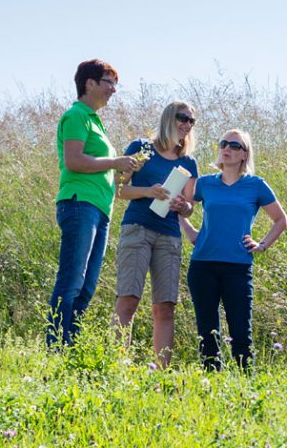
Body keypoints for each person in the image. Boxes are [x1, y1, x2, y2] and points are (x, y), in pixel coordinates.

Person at [47, 59, 139, 348]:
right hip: (79, 204)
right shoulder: (76, 115)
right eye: (108, 82)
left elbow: (96, 163)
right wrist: (114, 161)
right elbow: (73, 161)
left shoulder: (95, 121)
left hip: (99, 209)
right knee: (72, 280)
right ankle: (56, 345)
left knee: (86, 286)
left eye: (115, 84)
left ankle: (69, 344)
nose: (113, 90)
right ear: (90, 83)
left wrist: (120, 169)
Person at [177, 129, 287, 370]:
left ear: (244, 154)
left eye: (234, 146)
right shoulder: (205, 183)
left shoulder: (256, 185)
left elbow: (281, 220)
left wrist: (262, 245)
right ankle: (211, 383)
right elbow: (183, 208)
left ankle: (245, 384)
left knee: (240, 331)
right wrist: (190, 231)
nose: (226, 149)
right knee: (207, 331)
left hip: (238, 266)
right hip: (203, 264)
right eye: (223, 143)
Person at [112, 101, 199, 368]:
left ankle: (161, 372)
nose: (186, 124)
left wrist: (182, 206)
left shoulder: (189, 162)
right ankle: (116, 366)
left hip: (169, 235)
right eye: (182, 118)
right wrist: (149, 190)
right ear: (168, 118)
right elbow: (120, 190)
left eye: (191, 121)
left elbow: (190, 207)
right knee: (128, 298)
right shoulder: (141, 148)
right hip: (137, 228)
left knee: (165, 305)